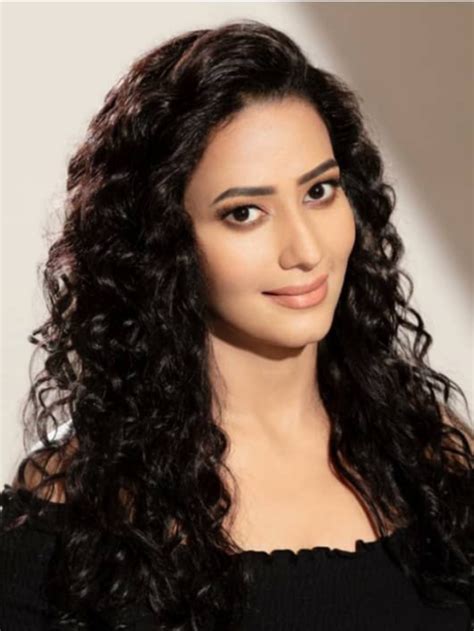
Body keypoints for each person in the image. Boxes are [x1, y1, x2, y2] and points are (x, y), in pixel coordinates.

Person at [1, 18, 472, 631]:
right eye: (245, 212)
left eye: (319, 191)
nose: (305, 250)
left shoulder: (434, 463)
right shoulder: (69, 519)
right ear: (162, 242)